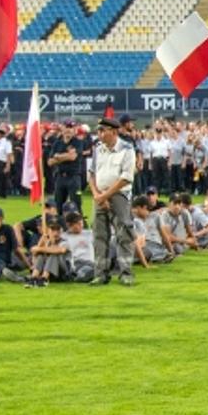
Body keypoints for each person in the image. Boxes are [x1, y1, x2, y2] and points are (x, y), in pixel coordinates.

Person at [86, 116, 137, 287]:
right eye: (98, 130)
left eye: (102, 130)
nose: (99, 134)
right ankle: (100, 273)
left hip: (119, 196)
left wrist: (106, 195)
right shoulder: (98, 149)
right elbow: (91, 173)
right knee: (99, 235)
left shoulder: (127, 149)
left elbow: (126, 177)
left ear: (113, 132)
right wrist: (96, 194)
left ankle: (126, 272)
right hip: (99, 195)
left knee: (123, 234)